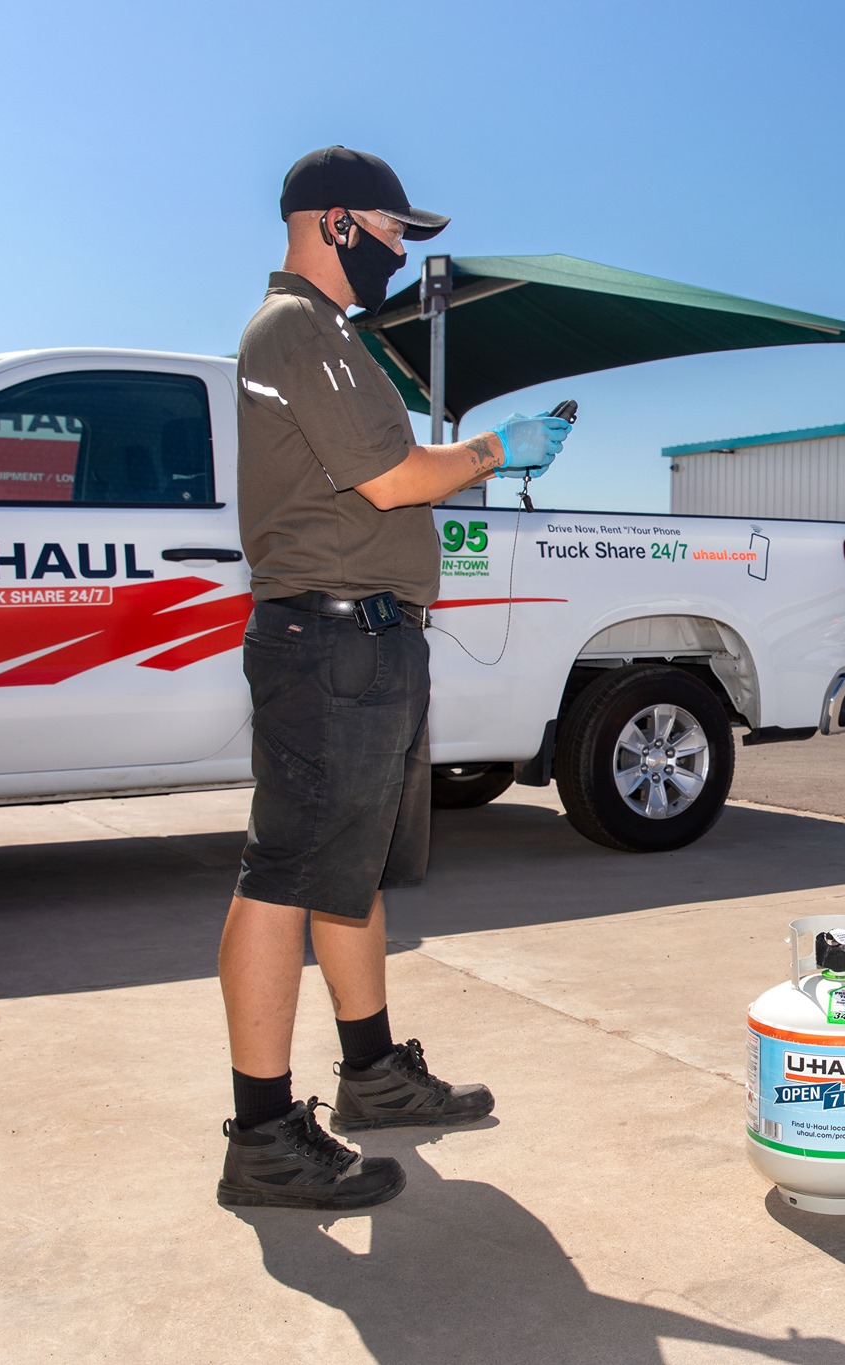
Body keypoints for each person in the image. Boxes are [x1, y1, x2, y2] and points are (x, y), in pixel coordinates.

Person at [216, 147, 572, 1210]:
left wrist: (483, 453)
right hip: (329, 641)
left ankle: (370, 1073)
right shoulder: (295, 328)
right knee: (284, 875)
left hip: (362, 639)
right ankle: (262, 1135)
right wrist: (497, 448)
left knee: (347, 869)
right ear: (333, 222)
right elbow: (389, 478)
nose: (398, 252)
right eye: (388, 231)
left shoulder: (332, 336)